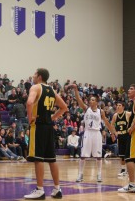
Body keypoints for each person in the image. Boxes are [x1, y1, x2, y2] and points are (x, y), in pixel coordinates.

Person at [24, 68, 67, 200]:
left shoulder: (35, 87)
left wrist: (30, 117)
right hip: (49, 127)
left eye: (35, 74)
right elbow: (64, 107)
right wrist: (52, 118)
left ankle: (40, 190)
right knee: (51, 159)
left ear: (40, 77)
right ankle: (57, 189)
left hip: (39, 126)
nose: (33, 76)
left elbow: (29, 102)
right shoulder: (52, 90)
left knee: (38, 159)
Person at [67, 83, 112, 183]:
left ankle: (99, 175)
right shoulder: (86, 109)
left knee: (98, 156)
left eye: (92, 100)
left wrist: (112, 132)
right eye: (90, 99)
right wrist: (75, 90)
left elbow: (107, 122)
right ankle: (80, 175)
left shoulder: (101, 112)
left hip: (97, 133)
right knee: (83, 155)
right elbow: (79, 99)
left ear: (96, 102)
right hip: (88, 133)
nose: (90, 101)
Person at [118, 84, 135, 193]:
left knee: (129, 158)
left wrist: (132, 126)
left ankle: (131, 185)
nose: (128, 90)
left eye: (131, 89)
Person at [107, 101, 131, 176]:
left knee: (128, 154)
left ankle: (128, 170)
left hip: (127, 135)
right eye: (117, 105)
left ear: (123, 107)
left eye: (119, 105)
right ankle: (123, 169)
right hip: (120, 136)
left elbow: (134, 121)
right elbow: (111, 125)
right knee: (121, 154)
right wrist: (113, 133)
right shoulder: (115, 115)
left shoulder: (127, 114)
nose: (118, 106)